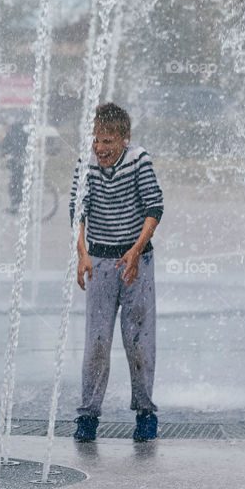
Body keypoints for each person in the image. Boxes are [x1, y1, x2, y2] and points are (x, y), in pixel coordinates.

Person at [69, 102, 164, 443]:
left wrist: (136, 251)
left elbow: (155, 206)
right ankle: (88, 416)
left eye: (108, 141)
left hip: (137, 262)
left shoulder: (139, 160)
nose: (100, 148)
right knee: (96, 342)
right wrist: (82, 255)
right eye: (96, 140)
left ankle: (145, 412)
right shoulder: (87, 162)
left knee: (139, 341)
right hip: (101, 261)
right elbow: (77, 210)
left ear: (125, 139)